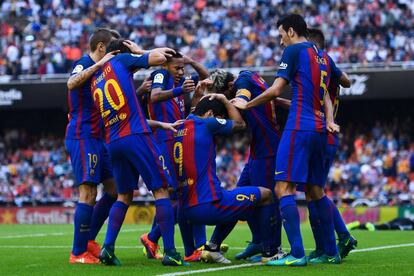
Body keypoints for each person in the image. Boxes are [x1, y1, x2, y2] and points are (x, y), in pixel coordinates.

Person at [233, 14, 339, 266]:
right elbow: (338, 83)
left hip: (299, 127)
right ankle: (330, 251)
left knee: (283, 188)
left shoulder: (293, 52)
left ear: (291, 31)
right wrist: (331, 118)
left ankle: (297, 254)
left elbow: (276, 89)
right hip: (320, 129)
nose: (281, 42)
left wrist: (249, 105)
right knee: (315, 190)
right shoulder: (322, 55)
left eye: (281, 35)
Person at [90, 38, 185, 266]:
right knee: (161, 190)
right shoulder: (121, 60)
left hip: (113, 140)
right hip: (136, 136)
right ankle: (170, 252)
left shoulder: (95, 80)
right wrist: (138, 51)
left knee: (124, 196)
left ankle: (108, 248)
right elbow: (161, 58)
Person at [173, 95, 280, 264]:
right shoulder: (207, 123)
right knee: (266, 194)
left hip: (185, 211)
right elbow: (240, 125)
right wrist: (224, 100)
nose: (220, 121)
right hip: (209, 205)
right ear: (209, 113)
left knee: (236, 202)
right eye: (219, 117)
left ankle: (201, 250)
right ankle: (271, 252)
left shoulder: (179, 127)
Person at [206, 69, 289, 261]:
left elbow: (242, 97)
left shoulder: (241, 83)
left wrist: (237, 101)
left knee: (267, 200)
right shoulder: (249, 74)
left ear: (229, 88)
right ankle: (214, 246)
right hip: (259, 151)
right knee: (239, 199)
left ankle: (271, 251)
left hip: (268, 152)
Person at [141, 51, 210, 262]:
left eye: (182, 68)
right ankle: (191, 245)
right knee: (178, 194)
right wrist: (180, 89)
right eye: (177, 68)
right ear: (166, 65)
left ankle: (195, 245)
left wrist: (190, 62)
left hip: (177, 140)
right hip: (163, 141)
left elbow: (207, 77)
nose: (181, 72)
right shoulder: (160, 75)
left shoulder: (182, 80)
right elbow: (154, 96)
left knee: (186, 192)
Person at [65, 28, 120, 265]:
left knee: (114, 189)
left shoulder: (103, 73)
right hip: (83, 136)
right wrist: (100, 64)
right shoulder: (84, 63)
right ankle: (78, 253)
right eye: (112, 49)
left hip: (98, 139)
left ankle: (88, 240)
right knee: (87, 192)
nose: (114, 54)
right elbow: (71, 82)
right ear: (101, 47)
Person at [306, 28, 357, 261]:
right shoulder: (328, 67)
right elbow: (346, 81)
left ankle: (332, 245)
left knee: (315, 192)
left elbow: (344, 82)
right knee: (313, 192)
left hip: (323, 132)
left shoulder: (318, 67)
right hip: (324, 132)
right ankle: (337, 239)